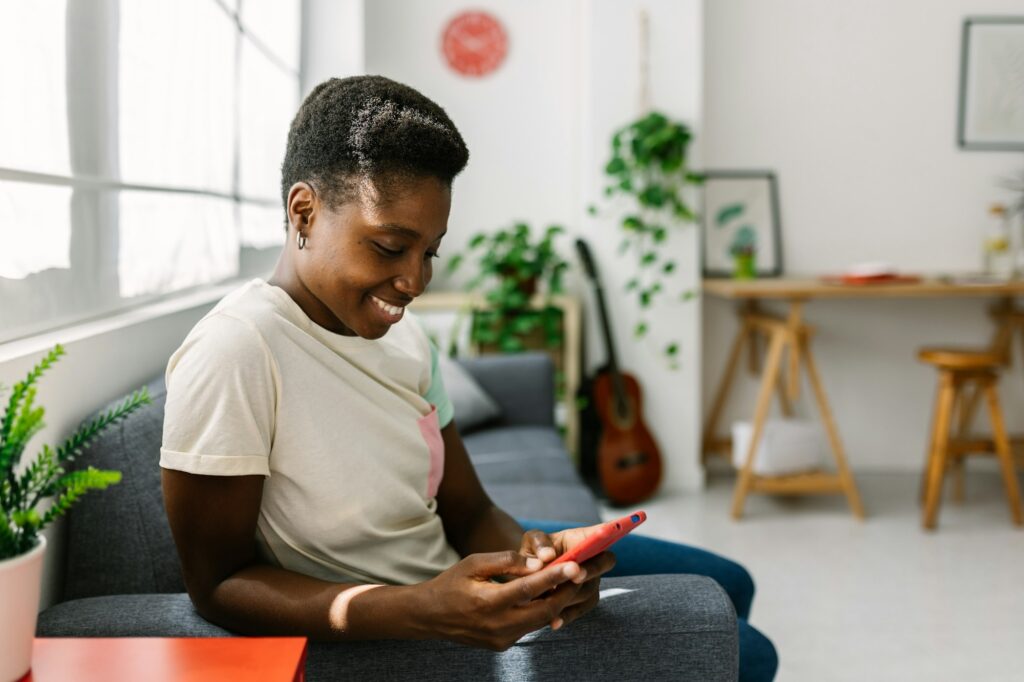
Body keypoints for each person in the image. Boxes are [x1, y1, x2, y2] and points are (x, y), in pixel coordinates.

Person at [160, 75, 777, 680]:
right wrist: (423, 610)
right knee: (750, 654)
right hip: (403, 628)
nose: (414, 282)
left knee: (736, 581)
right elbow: (218, 584)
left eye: (429, 252)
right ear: (304, 211)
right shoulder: (237, 349)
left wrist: (528, 556)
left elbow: (469, 508)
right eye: (388, 246)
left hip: (458, 583)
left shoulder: (401, 337)